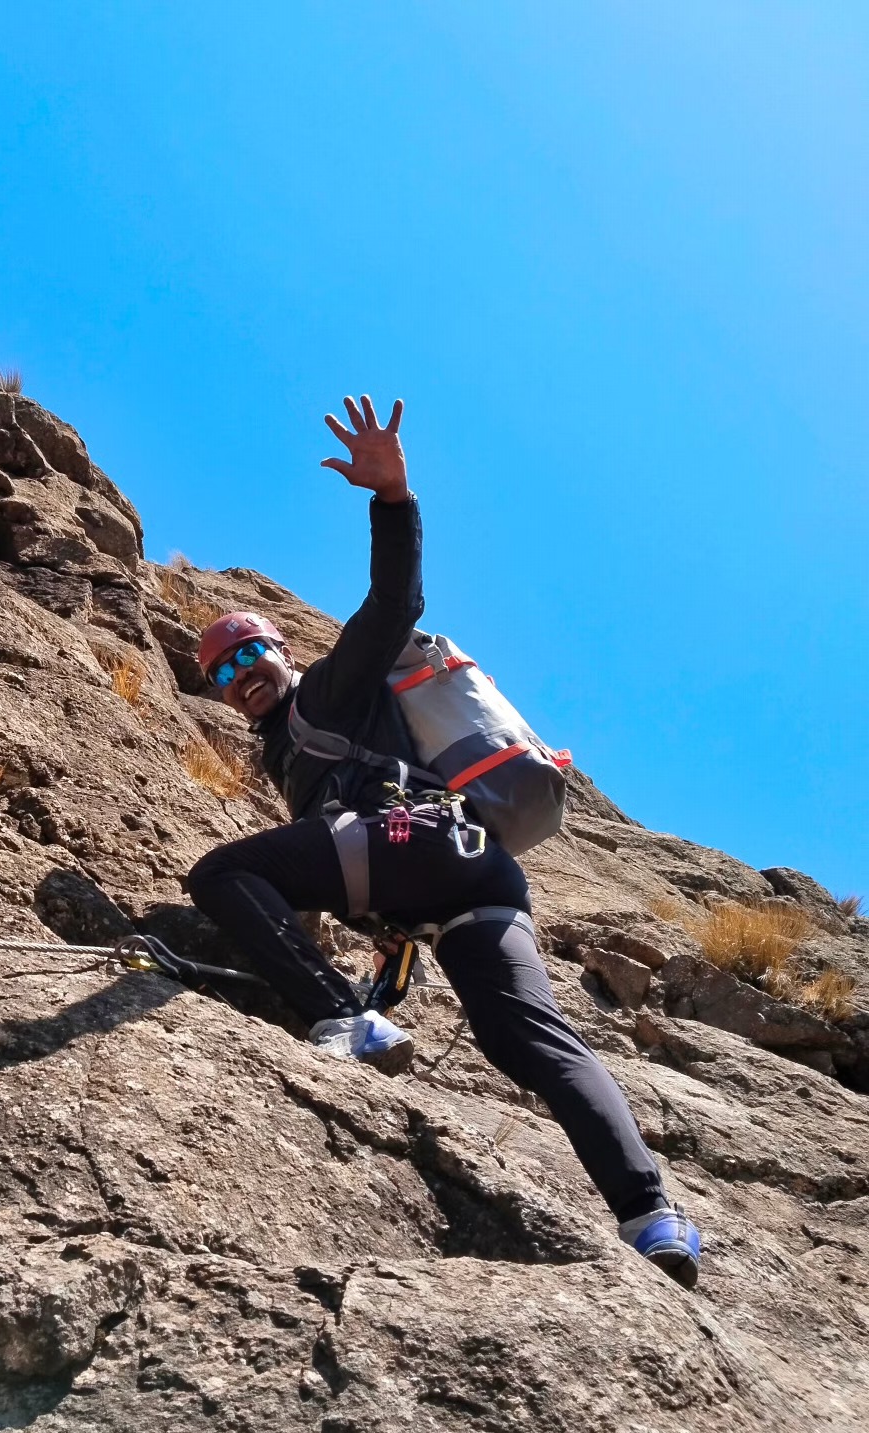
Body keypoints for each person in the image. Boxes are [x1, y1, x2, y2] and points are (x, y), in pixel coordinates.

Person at [184, 395, 702, 1287]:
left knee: (222, 874)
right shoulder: (293, 744)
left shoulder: (329, 690)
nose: (239, 675)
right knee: (527, 1038)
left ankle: (344, 1019)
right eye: (221, 672)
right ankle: (653, 1216)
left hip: (404, 843)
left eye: (248, 654)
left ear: (282, 651)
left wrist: (394, 499)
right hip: (477, 875)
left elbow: (393, 603)